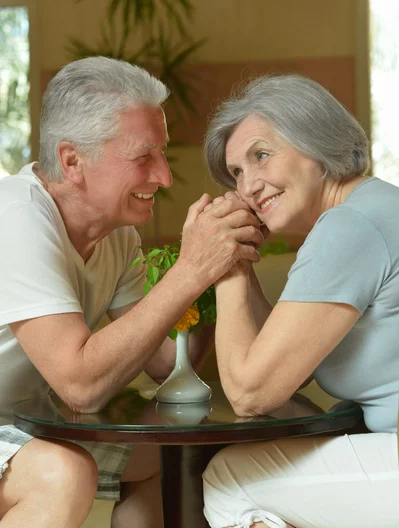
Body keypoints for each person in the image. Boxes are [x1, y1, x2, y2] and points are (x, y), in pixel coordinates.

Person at [0, 56, 264, 528]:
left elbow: (165, 361)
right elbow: (81, 386)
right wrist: (189, 269)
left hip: (15, 430)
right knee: (62, 474)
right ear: (72, 161)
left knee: (156, 456)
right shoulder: (15, 217)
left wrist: (221, 267)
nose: (163, 177)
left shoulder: (117, 238)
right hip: (17, 436)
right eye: (144, 158)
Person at [201, 74, 399, 528]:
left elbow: (252, 393)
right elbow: (293, 366)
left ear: (316, 143)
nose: (248, 186)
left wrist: (224, 267)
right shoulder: (372, 207)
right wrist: (242, 261)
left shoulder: (348, 228)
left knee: (230, 480)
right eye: (237, 173)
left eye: (261, 156)